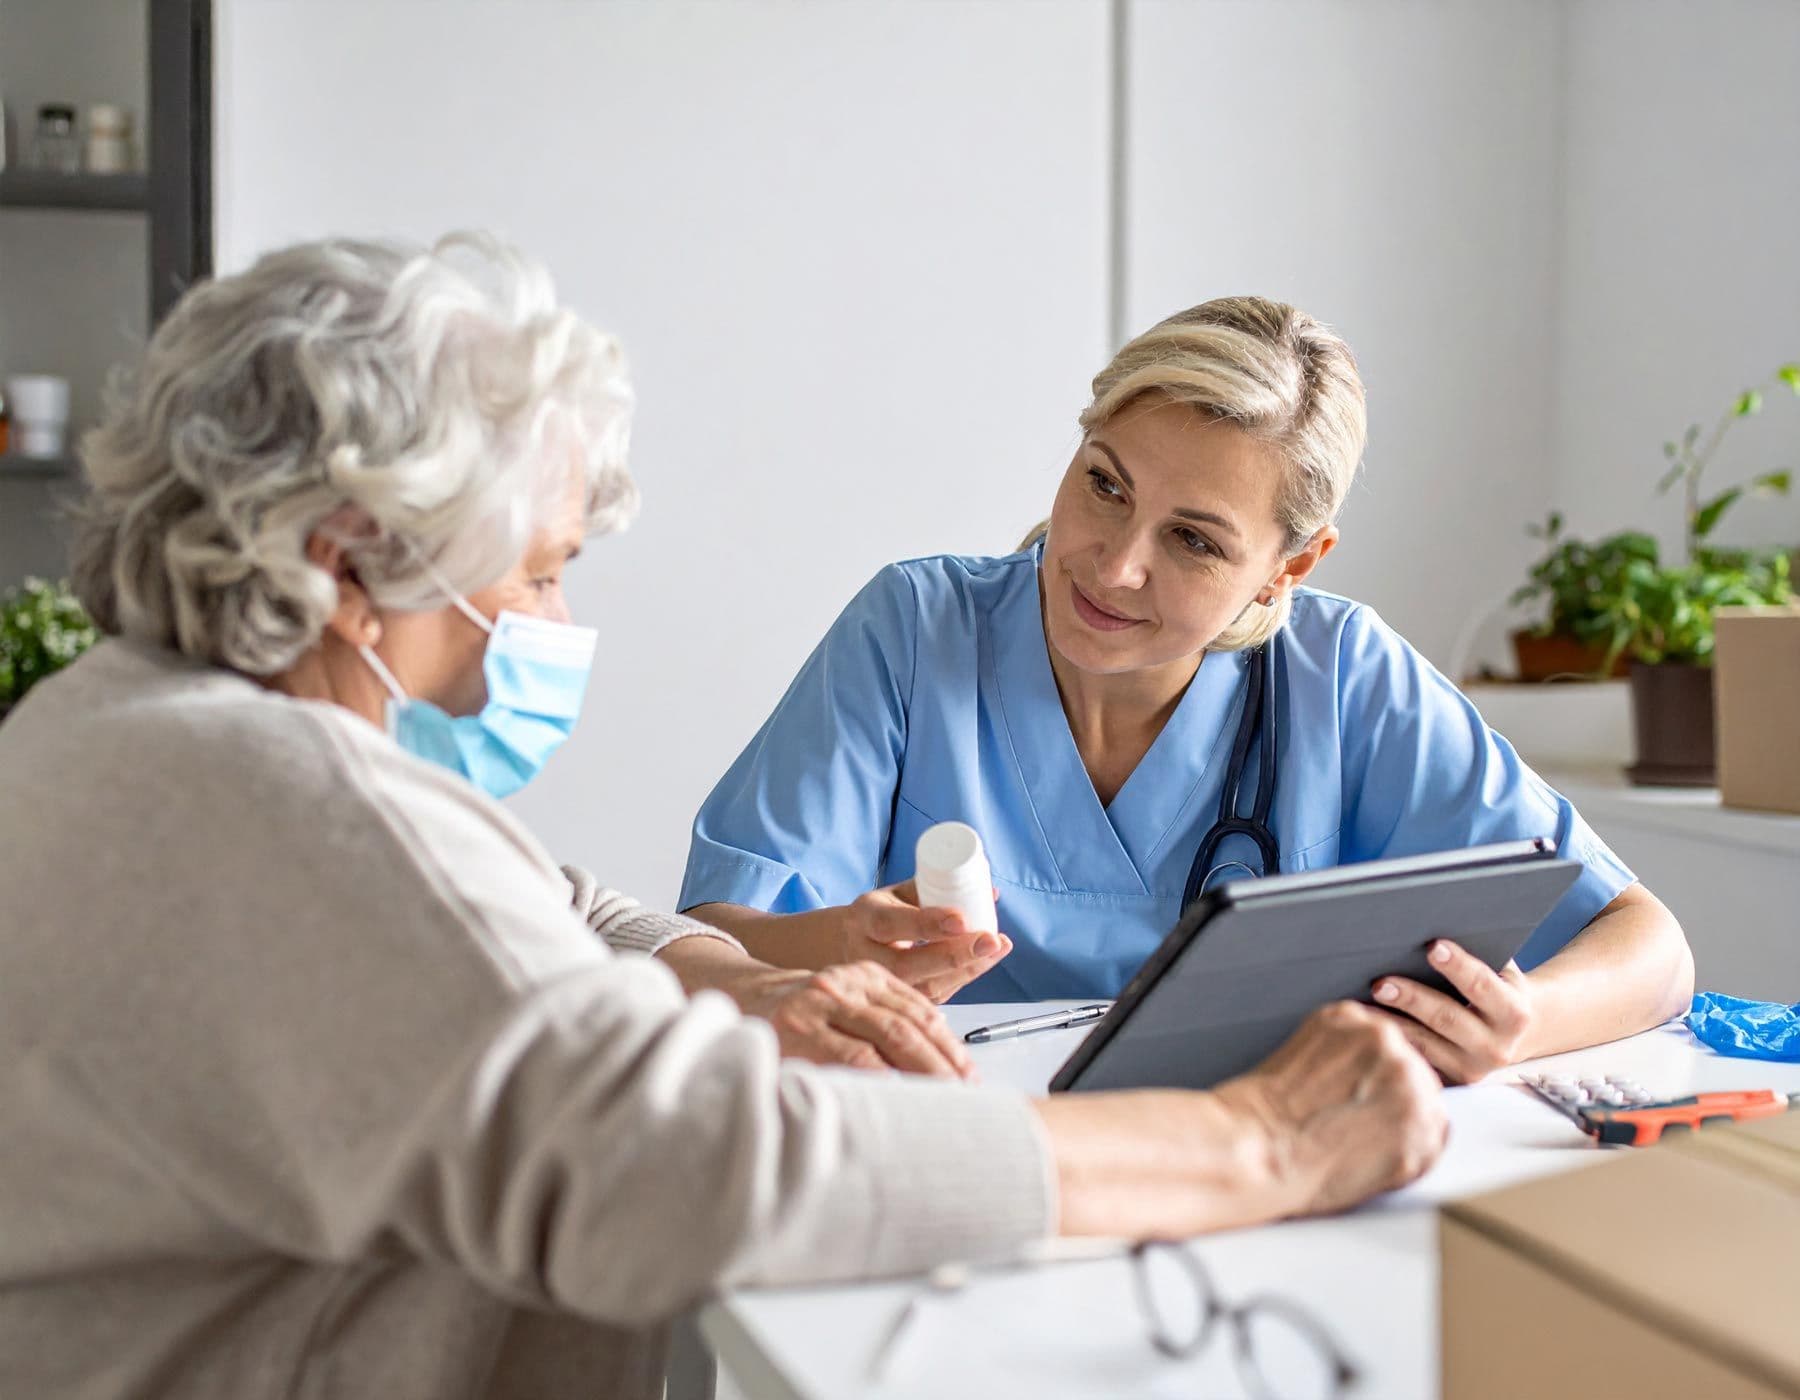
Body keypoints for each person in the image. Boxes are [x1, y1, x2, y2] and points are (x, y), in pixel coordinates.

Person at [0, 237, 1446, 1400]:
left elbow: (537, 906)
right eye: (544, 571)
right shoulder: (288, 809)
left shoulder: (140, 732)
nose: (562, 621)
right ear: (352, 560)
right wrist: (1256, 1146)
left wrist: (748, 981)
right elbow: (706, 1162)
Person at [680, 297, 1695, 1084]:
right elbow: (711, 942)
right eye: (1106, 483)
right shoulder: (916, 628)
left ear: (1287, 569)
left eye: (1195, 539)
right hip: (954, 1149)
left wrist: (1520, 1026)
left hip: (1245, 1182)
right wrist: (836, 945)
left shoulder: (1340, 679)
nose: (1113, 564)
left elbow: (1649, 948)